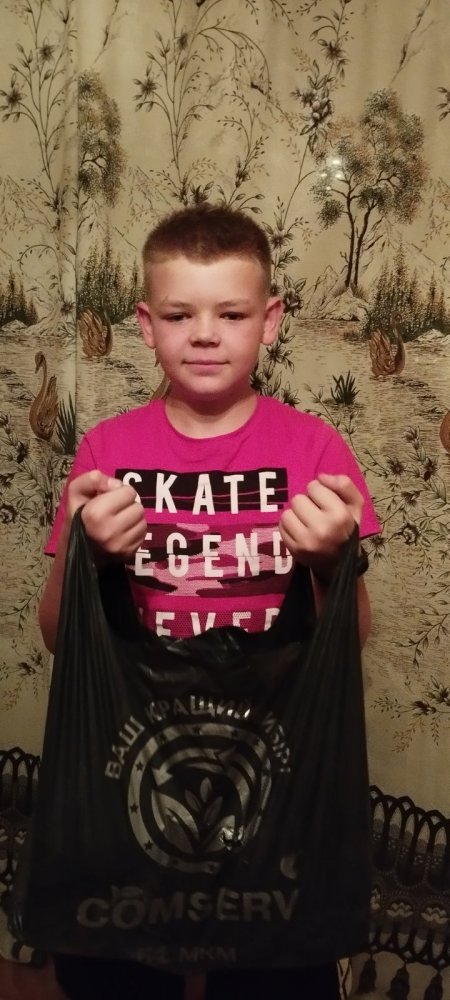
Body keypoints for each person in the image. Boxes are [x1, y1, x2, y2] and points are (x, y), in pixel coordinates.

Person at [39, 202, 381, 1000]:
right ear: (145, 324)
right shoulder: (108, 450)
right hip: (137, 766)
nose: (203, 335)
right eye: (178, 315)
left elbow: (353, 638)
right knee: (118, 969)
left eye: (230, 314)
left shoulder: (315, 448)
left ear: (270, 321)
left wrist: (333, 563)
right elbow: (58, 636)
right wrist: (89, 559)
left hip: (275, 772)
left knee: (276, 972)